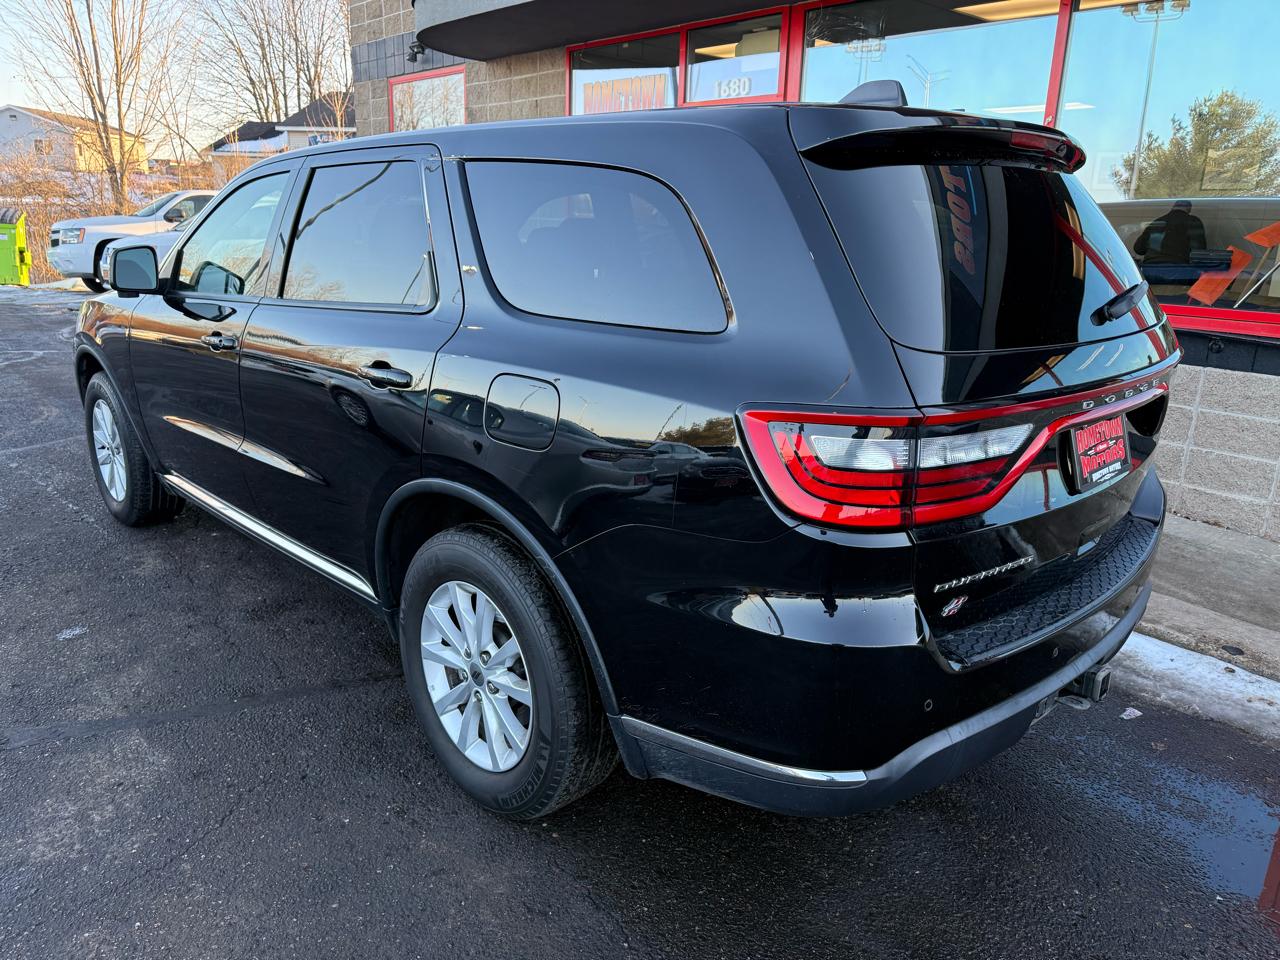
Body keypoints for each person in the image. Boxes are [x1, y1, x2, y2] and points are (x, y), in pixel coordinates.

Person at [1134, 199, 1207, 264]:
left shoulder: (1158, 221)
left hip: (1151, 267)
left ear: (1173, 207)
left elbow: (1138, 249)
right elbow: (1199, 250)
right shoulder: (1193, 221)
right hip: (1177, 268)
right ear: (1189, 208)